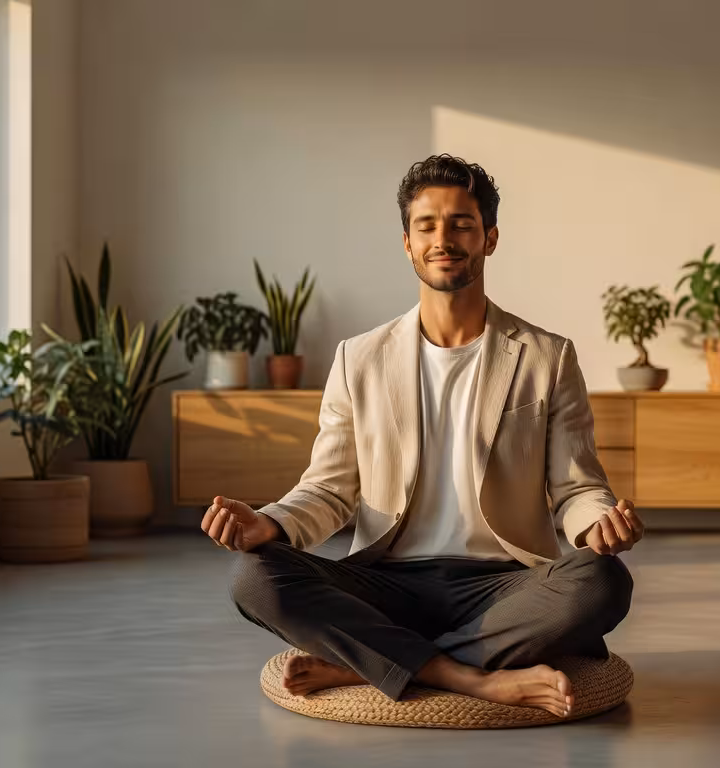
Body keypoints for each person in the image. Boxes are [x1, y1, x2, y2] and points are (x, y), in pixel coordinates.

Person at [208, 154, 642, 719]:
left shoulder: (546, 357)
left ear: (489, 238)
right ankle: (471, 676)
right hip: (386, 582)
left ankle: (366, 663)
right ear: (407, 243)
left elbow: (575, 486)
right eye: (427, 226)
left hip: (505, 586)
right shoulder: (357, 358)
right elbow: (330, 489)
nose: (444, 238)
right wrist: (272, 523)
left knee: (601, 583)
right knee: (253, 576)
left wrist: (598, 523)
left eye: (462, 223)